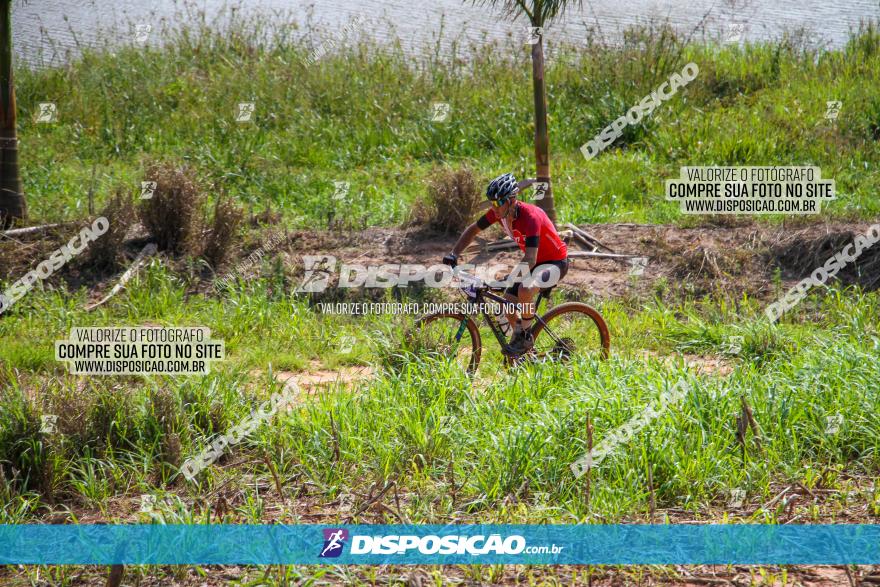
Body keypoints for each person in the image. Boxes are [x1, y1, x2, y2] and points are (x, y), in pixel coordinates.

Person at [442, 173, 569, 355]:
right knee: (507, 303)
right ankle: (525, 350)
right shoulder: (499, 214)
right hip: (535, 263)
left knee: (525, 289)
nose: (494, 207)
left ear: (512, 200)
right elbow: (473, 229)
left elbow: (531, 259)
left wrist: (510, 279)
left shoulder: (531, 217)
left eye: (498, 203)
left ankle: (525, 336)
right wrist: (454, 253)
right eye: (492, 203)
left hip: (556, 262)